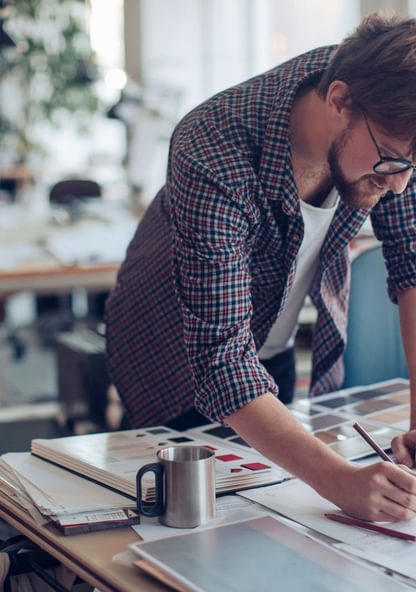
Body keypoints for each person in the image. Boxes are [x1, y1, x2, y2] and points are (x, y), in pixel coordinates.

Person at [106, 12, 416, 521]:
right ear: (338, 101)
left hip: (264, 356)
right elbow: (221, 361)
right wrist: (339, 481)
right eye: (392, 164)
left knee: (269, 515)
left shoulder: (388, 111)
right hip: (169, 360)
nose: (401, 186)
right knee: (188, 530)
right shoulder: (213, 148)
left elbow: (411, 263)